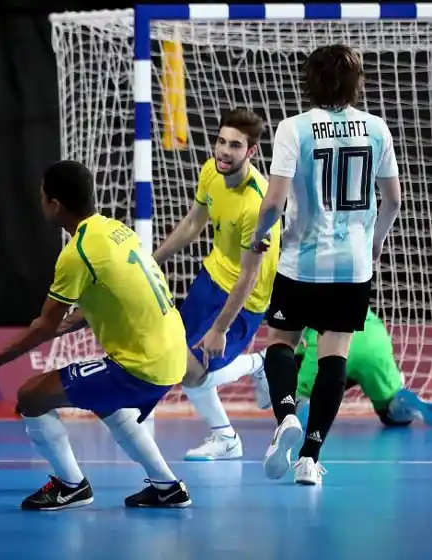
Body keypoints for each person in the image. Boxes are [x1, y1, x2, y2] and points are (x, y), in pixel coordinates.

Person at [0, 160, 192, 511]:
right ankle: (167, 487)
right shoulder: (115, 229)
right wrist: (77, 320)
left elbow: (45, 327)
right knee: (104, 400)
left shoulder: (76, 253)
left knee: (31, 397)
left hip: (144, 363)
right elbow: (119, 291)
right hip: (174, 349)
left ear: (55, 205)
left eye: (42, 197)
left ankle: (71, 486)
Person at [250, 45, 402, 485]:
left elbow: (274, 202)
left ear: (309, 81)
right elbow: (392, 199)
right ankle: (310, 460)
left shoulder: (293, 129)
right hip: (352, 267)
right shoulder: (377, 129)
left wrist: (258, 237)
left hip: (301, 262)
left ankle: (285, 418)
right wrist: (374, 244)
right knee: (335, 356)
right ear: (357, 83)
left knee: (280, 341)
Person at [152, 109, 277, 461]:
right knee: (179, 360)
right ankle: (224, 437)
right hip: (211, 278)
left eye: (234, 146)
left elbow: (249, 276)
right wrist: (152, 262)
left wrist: (220, 328)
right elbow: (193, 224)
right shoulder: (211, 170)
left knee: (192, 371)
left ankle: (258, 365)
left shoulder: (258, 205)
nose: (223, 151)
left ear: (251, 152)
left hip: (246, 297)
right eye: (221, 141)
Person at [291, 308, 432, 429]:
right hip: (372, 337)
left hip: (328, 340)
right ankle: (403, 402)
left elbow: (292, 351)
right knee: (392, 409)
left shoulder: (303, 293)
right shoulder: (355, 282)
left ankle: (306, 407)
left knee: (298, 396)